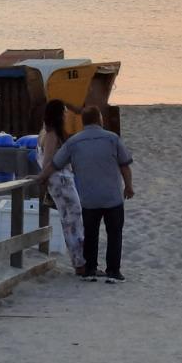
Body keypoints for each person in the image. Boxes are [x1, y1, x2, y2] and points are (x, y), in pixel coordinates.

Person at [45, 106, 133, 282]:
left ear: (83, 122)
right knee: (114, 233)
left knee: (91, 233)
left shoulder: (73, 142)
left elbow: (54, 164)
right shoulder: (112, 139)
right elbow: (125, 165)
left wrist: (41, 177)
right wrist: (128, 187)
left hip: (89, 198)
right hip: (112, 196)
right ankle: (113, 272)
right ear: (100, 120)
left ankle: (90, 269)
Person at [36, 99, 87, 276]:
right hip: (61, 181)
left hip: (59, 181)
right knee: (73, 220)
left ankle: (79, 261)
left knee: (71, 220)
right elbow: (48, 161)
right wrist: (43, 177)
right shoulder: (51, 134)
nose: (66, 115)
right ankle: (80, 262)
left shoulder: (44, 132)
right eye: (64, 112)